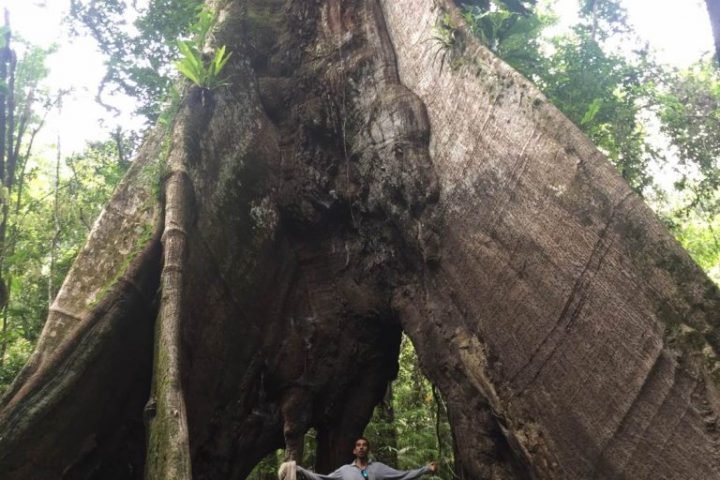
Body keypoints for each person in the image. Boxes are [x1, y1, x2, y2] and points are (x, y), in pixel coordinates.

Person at [295, 437, 438, 480]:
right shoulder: (345, 471)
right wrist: (299, 470)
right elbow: (322, 479)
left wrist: (426, 469)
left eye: (364, 445)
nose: (361, 447)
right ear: (354, 450)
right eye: (358, 445)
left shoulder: (378, 468)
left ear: (368, 449)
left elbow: (403, 475)